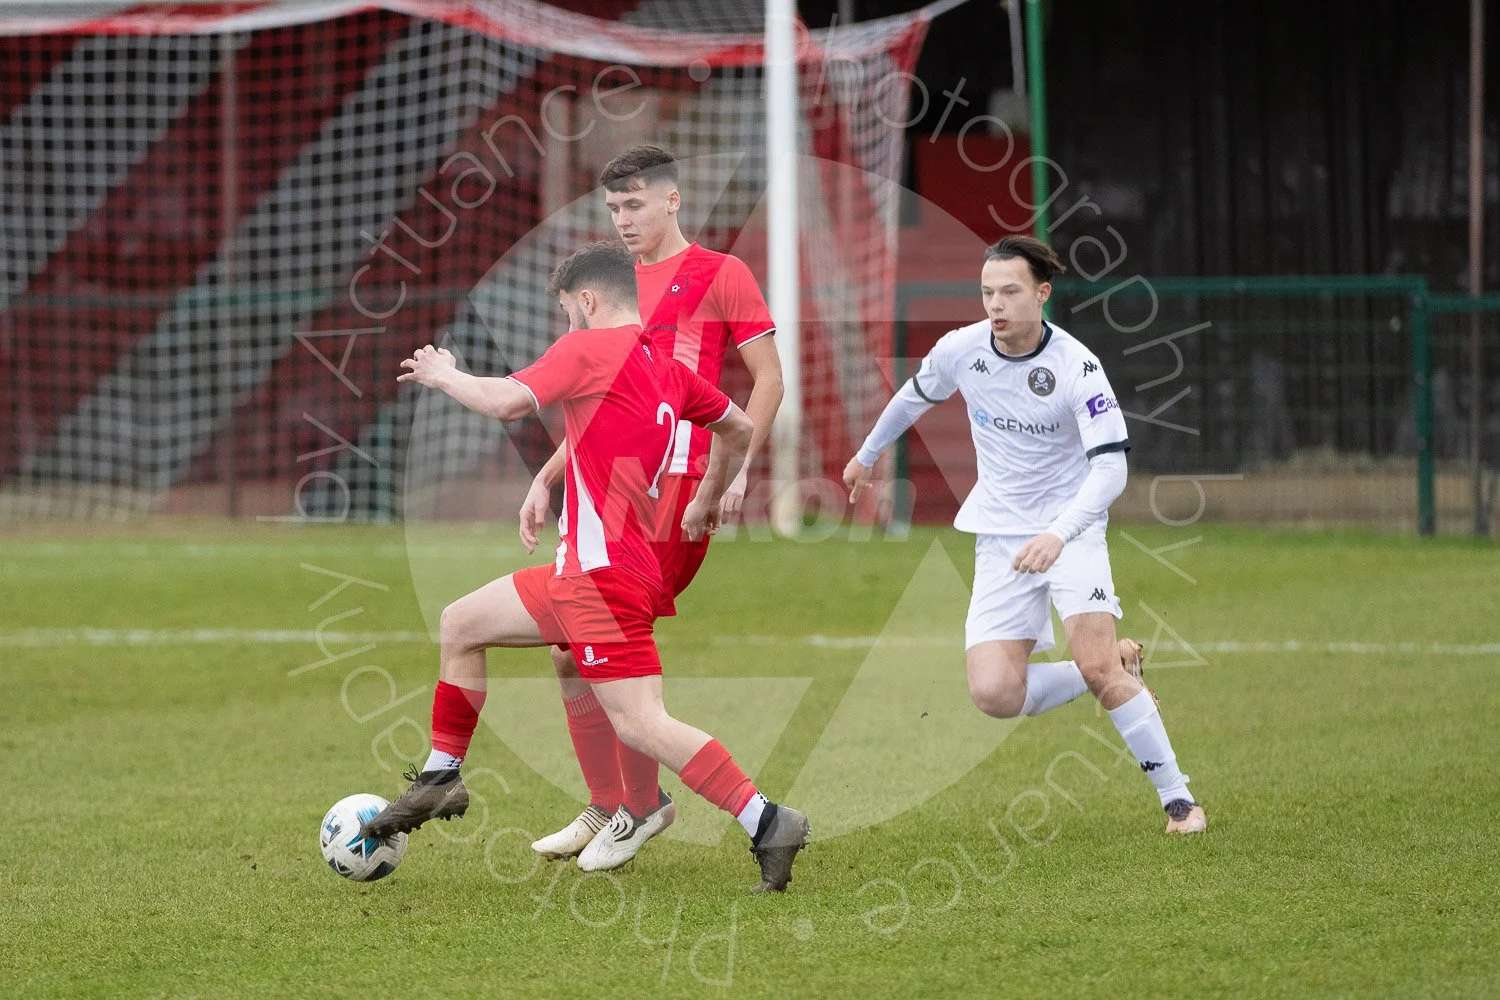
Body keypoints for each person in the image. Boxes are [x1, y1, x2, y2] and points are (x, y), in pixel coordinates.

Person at [361, 241, 811, 892]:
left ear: (589, 301)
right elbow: (739, 430)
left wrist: (443, 373)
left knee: (641, 721)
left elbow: (506, 402)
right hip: (585, 571)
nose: (565, 324)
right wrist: (708, 499)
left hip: (603, 581)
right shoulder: (664, 365)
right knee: (461, 623)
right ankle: (440, 776)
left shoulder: (588, 349)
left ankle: (766, 819)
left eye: (568, 310)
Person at [843, 235, 1207, 835]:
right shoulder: (962, 350)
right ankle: (1117, 663)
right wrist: (866, 454)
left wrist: (1061, 535)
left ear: (1042, 293)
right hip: (1001, 537)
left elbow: (1112, 468)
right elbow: (914, 396)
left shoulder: (1077, 366)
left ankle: (1179, 802)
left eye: (1010, 291)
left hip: (1073, 531)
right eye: (987, 292)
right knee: (994, 693)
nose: (996, 304)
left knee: (1095, 669)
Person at [523, 145, 784, 871]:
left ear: (672, 200)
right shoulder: (607, 288)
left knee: (593, 639)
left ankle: (640, 808)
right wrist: (550, 475)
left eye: (634, 204)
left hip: (678, 493)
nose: (623, 219)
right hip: (609, 492)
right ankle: (617, 803)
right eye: (613, 208)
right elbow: (594, 403)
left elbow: (769, 382)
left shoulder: (719, 275)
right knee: (569, 649)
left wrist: (733, 474)